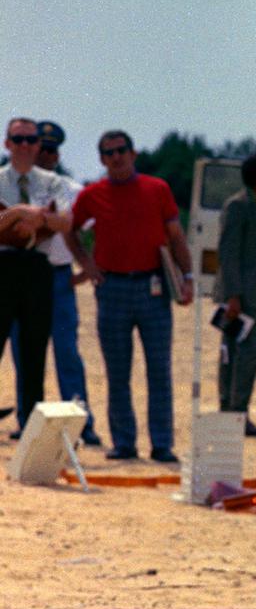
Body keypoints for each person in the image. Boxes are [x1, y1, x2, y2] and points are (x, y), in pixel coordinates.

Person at [72, 130, 194, 461]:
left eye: (121, 150)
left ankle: (162, 444)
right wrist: (86, 264)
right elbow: (70, 229)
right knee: (118, 371)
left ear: (134, 153)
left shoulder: (157, 189)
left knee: (159, 369)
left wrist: (187, 276)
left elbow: (176, 235)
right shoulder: (91, 195)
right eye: (109, 152)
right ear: (101, 159)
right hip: (111, 288)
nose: (116, 157)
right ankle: (124, 442)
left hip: (153, 287)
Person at [11, 122, 101, 445]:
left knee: (67, 353)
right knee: (24, 353)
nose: (44, 154)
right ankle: (27, 422)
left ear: (57, 153)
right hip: (18, 276)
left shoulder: (71, 189)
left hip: (57, 277)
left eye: (49, 149)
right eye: (39, 148)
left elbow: (91, 231)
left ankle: (80, 423)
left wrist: (85, 270)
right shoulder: (15, 186)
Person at [0, 118, 74, 435]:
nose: (26, 145)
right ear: (7, 144)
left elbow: (65, 223)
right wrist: (20, 213)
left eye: (31, 140)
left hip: (37, 270)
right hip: (1, 268)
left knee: (34, 351)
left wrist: (33, 220)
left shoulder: (54, 182)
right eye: (19, 139)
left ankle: (30, 427)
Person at [214, 151, 256, 435]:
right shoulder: (238, 206)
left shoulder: (254, 206)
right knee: (245, 352)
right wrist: (233, 295)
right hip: (239, 299)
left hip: (247, 298)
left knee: (234, 352)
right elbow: (228, 253)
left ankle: (232, 412)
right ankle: (235, 413)